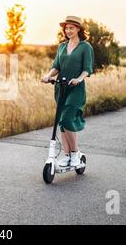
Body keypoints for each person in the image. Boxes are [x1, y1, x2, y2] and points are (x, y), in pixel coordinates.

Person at [41, 15, 94, 167]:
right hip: (61, 87)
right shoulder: (62, 46)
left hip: (76, 88)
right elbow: (56, 66)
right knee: (62, 123)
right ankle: (66, 155)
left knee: (67, 119)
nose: (68, 30)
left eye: (71, 27)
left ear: (78, 29)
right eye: (66, 28)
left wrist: (79, 78)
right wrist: (48, 76)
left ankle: (75, 153)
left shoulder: (85, 47)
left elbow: (87, 69)